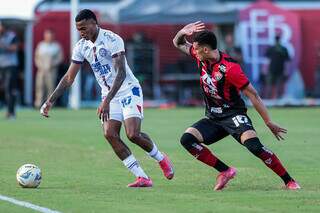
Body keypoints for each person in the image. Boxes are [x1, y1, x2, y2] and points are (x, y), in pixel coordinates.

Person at [40, 9, 174, 187]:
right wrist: (50, 100)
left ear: (95, 23)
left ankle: (161, 159)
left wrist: (106, 101)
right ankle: (142, 177)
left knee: (133, 134)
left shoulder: (112, 39)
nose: (81, 32)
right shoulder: (81, 46)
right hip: (108, 95)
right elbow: (69, 77)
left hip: (127, 89)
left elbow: (121, 73)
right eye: (78, 29)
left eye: (84, 28)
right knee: (110, 134)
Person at [173, 21, 300, 191]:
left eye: (195, 48)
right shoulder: (200, 56)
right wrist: (182, 31)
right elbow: (178, 42)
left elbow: (253, 94)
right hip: (213, 117)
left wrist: (268, 122)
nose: (192, 51)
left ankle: (289, 181)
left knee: (255, 147)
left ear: (205, 49)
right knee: (187, 140)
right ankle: (225, 171)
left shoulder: (230, 68)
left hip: (233, 115)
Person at [34, 29, 63, 108]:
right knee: (39, 87)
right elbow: (36, 57)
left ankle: (49, 104)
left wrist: (52, 64)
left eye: (50, 35)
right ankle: (38, 103)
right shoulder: (41, 45)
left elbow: (60, 58)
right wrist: (40, 65)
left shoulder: (56, 46)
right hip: (41, 70)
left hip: (51, 70)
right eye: (47, 35)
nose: (49, 37)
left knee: (51, 87)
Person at [0, 21, 19, 119]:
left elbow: (14, 48)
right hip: (1, 66)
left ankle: (11, 112)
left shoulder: (11, 36)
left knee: (9, 89)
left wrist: (3, 46)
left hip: (10, 66)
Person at [265, 35, 290, 99]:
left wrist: (286, 70)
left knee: (278, 85)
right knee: (270, 85)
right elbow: (267, 59)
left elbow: (287, 61)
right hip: (273, 69)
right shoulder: (276, 49)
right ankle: (269, 98)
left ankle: (276, 98)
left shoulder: (282, 49)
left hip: (277, 69)